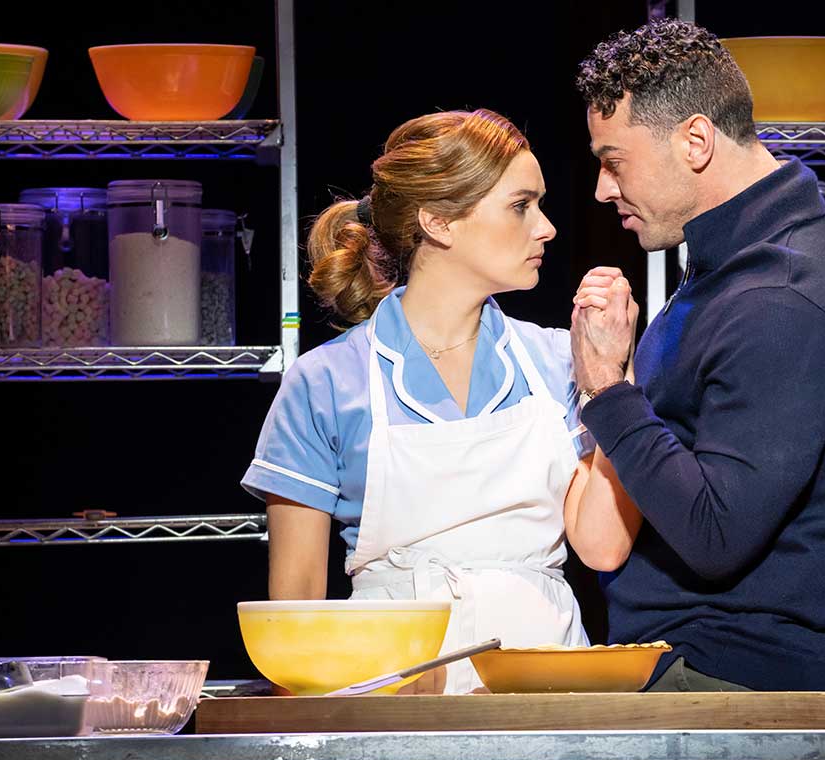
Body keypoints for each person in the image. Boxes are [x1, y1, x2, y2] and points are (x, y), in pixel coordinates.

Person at [241, 108, 638, 695]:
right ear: (439, 222)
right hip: (391, 699)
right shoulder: (325, 382)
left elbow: (603, 548)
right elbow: (298, 599)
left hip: (546, 698)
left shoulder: (561, 361)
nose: (547, 227)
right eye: (521, 205)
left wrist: (612, 376)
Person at [567, 19, 825, 724]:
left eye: (614, 160)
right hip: (685, 669)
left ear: (697, 141)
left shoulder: (784, 297)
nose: (599, 188)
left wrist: (609, 392)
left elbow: (715, 534)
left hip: (731, 687)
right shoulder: (726, 268)